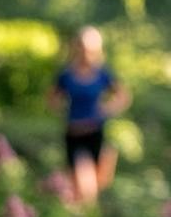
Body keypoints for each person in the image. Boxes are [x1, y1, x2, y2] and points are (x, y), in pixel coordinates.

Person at [47, 26, 131, 204]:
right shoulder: (67, 75)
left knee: (98, 182)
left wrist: (108, 109)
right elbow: (52, 99)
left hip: (95, 131)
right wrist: (61, 108)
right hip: (74, 132)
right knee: (80, 184)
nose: (85, 52)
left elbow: (123, 96)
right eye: (82, 47)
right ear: (76, 48)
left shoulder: (102, 74)